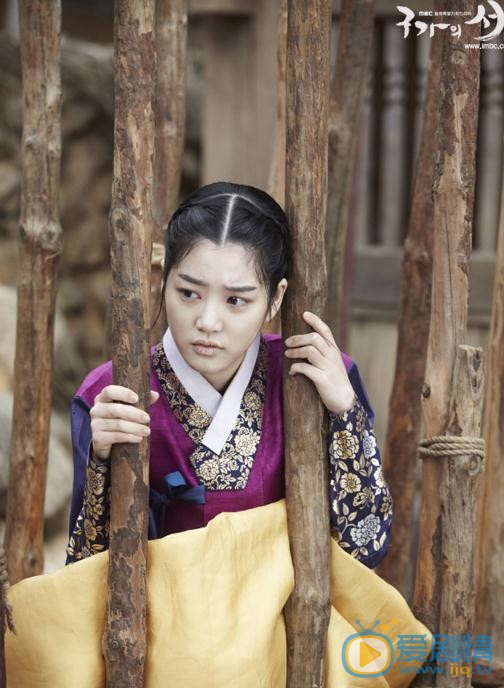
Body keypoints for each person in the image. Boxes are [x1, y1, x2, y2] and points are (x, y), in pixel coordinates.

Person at [66, 181, 392, 568]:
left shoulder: (319, 379)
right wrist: (102, 459)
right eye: (189, 293)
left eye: (236, 300)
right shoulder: (109, 393)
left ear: (275, 298)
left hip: (284, 608)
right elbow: (85, 569)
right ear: (164, 279)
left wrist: (345, 413)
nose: (208, 321)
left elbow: (365, 549)